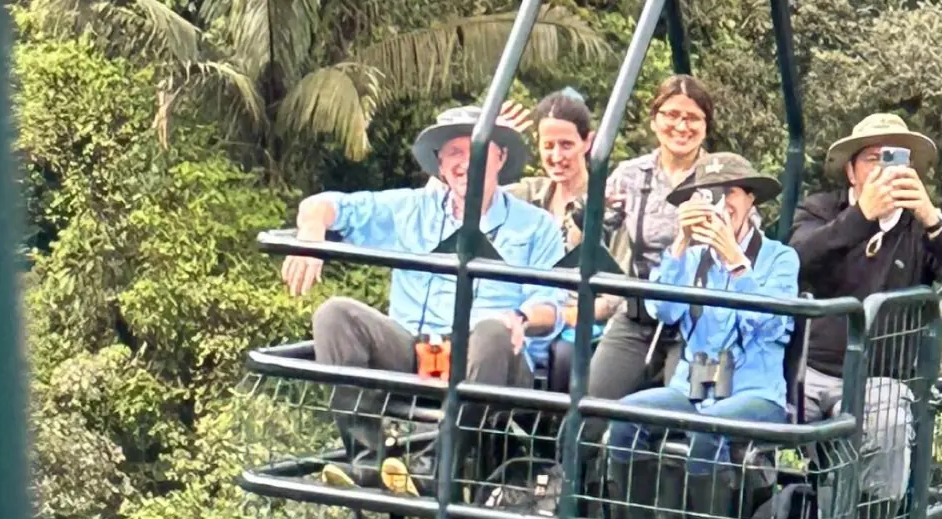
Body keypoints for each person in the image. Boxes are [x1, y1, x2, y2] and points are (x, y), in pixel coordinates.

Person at [280, 107, 568, 493]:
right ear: (440, 164)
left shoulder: (536, 226)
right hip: (419, 350)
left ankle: (436, 466)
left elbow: (551, 305)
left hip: (491, 358)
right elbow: (326, 205)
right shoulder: (411, 209)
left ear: (500, 158)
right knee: (335, 314)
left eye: (477, 151)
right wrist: (311, 233)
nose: (466, 163)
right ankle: (366, 461)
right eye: (455, 153)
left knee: (490, 330)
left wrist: (520, 317)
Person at [597, 152, 799, 519]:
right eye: (707, 196)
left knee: (710, 429)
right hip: (693, 387)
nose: (719, 205)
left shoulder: (780, 258)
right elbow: (660, 311)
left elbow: (771, 324)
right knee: (625, 418)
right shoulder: (690, 259)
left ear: (749, 199)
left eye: (729, 194)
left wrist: (735, 262)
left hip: (756, 392)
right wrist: (679, 245)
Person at [790, 112, 942, 500]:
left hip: (879, 379)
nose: (884, 169)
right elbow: (796, 260)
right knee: (758, 418)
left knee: (888, 429)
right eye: (872, 159)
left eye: (894, 158)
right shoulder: (820, 210)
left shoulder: (919, 227)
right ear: (851, 172)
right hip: (808, 371)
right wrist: (862, 216)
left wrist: (931, 218)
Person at [586, 74, 717, 399]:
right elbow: (590, 238)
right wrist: (592, 213)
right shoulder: (631, 175)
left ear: (706, 126)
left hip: (698, 320)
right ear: (655, 120)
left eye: (692, 118)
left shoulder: (723, 178)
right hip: (639, 312)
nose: (681, 126)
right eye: (672, 115)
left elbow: (746, 243)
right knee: (592, 401)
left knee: (686, 405)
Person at [501, 88, 620, 377]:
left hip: (574, 321)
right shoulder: (526, 196)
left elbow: (620, 293)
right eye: (548, 145)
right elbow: (463, 195)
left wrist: (572, 314)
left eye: (566, 145)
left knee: (566, 354)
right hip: (522, 311)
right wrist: (493, 141)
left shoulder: (607, 204)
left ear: (587, 142)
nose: (557, 156)